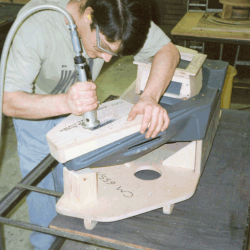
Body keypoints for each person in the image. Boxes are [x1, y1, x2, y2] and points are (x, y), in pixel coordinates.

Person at [2, 0, 180, 249]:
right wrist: (66, 102)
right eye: (103, 47)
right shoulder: (36, 24)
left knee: (75, 170)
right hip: (34, 103)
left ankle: (75, 226)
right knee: (40, 179)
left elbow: (168, 51)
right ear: (88, 15)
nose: (107, 59)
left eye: (114, 53)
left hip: (78, 105)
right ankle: (44, 242)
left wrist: (149, 97)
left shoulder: (120, 14)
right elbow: (8, 101)